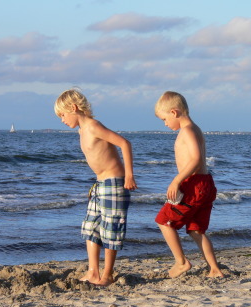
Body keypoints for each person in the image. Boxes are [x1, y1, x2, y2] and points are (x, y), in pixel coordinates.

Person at [54, 89, 137, 286]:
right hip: (100, 185)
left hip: (115, 183)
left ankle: (107, 275)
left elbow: (124, 143)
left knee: (111, 229)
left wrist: (129, 175)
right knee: (91, 227)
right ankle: (93, 271)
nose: (62, 120)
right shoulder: (82, 131)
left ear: (74, 108)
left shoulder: (93, 127)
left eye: (63, 115)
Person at [154, 91, 224, 279]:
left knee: (164, 221)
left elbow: (195, 159)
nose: (165, 124)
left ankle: (181, 262)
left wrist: (176, 180)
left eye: (164, 119)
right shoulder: (195, 128)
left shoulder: (187, 130)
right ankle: (215, 269)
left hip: (193, 185)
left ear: (174, 112)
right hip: (205, 183)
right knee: (195, 229)